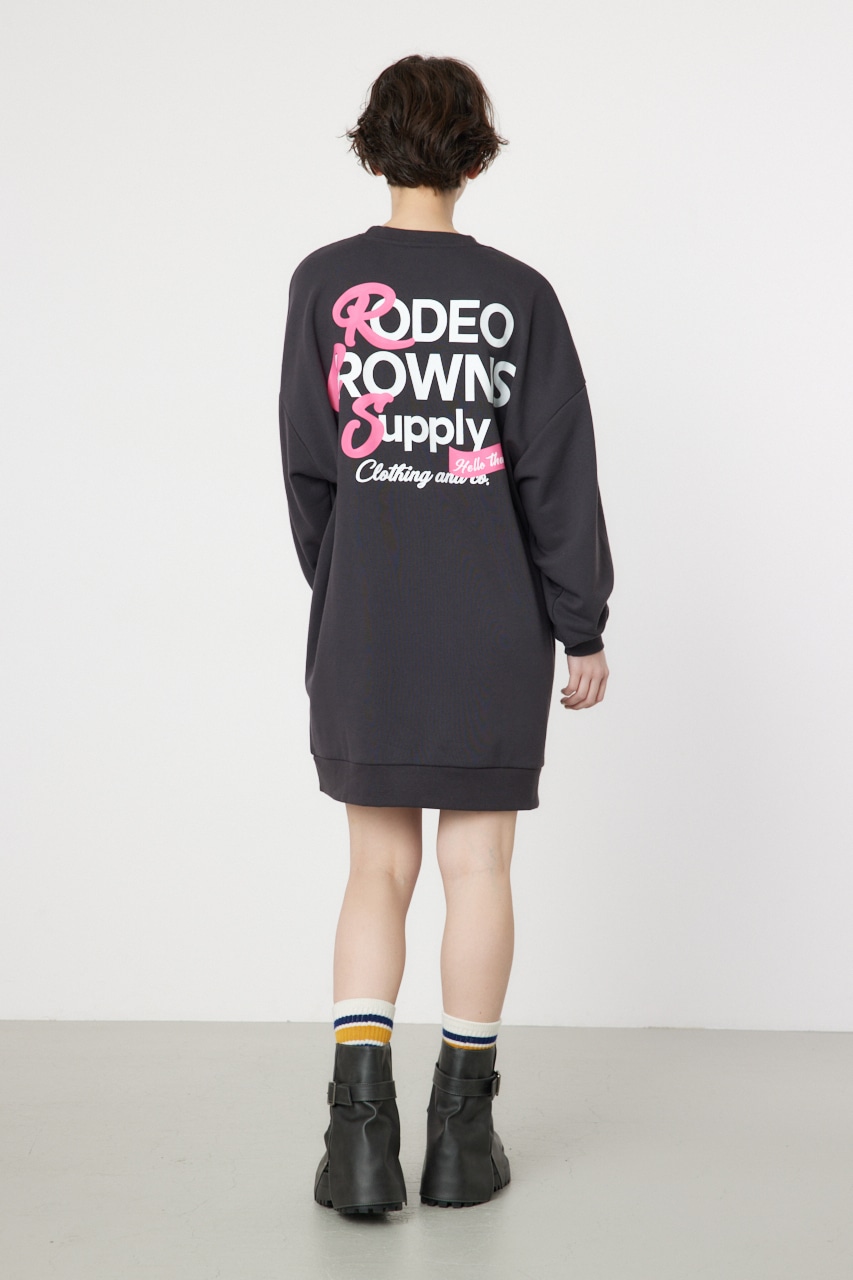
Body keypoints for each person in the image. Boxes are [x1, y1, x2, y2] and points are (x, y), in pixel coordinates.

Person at [278, 53, 614, 1215]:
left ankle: (359, 1145)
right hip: (490, 627)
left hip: (368, 624)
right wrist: (580, 623)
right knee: (479, 866)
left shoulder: (323, 283)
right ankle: (462, 1142)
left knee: (376, 866)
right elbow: (556, 476)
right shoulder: (518, 296)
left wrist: (351, 583)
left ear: (373, 146)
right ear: (476, 154)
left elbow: (310, 467)